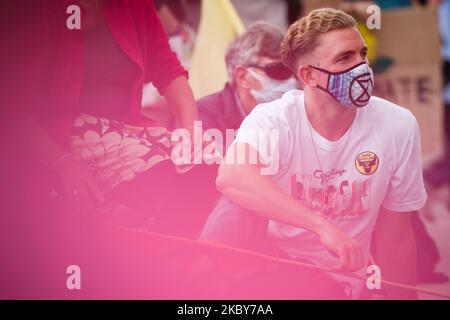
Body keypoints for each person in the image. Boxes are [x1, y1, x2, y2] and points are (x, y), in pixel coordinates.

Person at [200, 8, 427, 299]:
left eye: (362, 54)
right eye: (345, 58)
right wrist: (322, 227)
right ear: (308, 75)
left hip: (341, 285)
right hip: (271, 277)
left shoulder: (398, 124)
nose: (361, 67)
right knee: (234, 205)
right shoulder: (274, 119)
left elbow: (396, 238)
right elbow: (232, 177)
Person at [9, 0, 216, 236]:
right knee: (163, 177)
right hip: (64, 135)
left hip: (129, 130)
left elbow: (168, 71)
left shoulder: (133, 6)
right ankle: (151, 253)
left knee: (207, 165)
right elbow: (16, 111)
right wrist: (63, 164)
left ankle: (165, 253)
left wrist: (191, 131)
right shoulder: (37, 12)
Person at [197, 22, 298, 134]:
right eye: (280, 70)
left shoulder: (299, 112)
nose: (292, 79)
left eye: (294, 70)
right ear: (243, 77)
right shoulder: (201, 119)